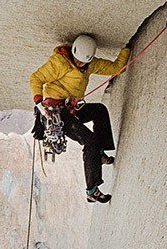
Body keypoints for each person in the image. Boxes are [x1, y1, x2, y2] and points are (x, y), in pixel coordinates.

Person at [30, 34, 130, 203]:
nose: (80, 64)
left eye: (84, 62)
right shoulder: (60, 63)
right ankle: (92, 190)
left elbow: (115, 68)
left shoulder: (90, 65)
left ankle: (99, 154)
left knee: (98, 111)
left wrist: (127, 47)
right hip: (57, 113)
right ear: (73, 53)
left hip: (70, 110)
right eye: (77, 60)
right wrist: (39, 102)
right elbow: (36, 78)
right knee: (89, 141)